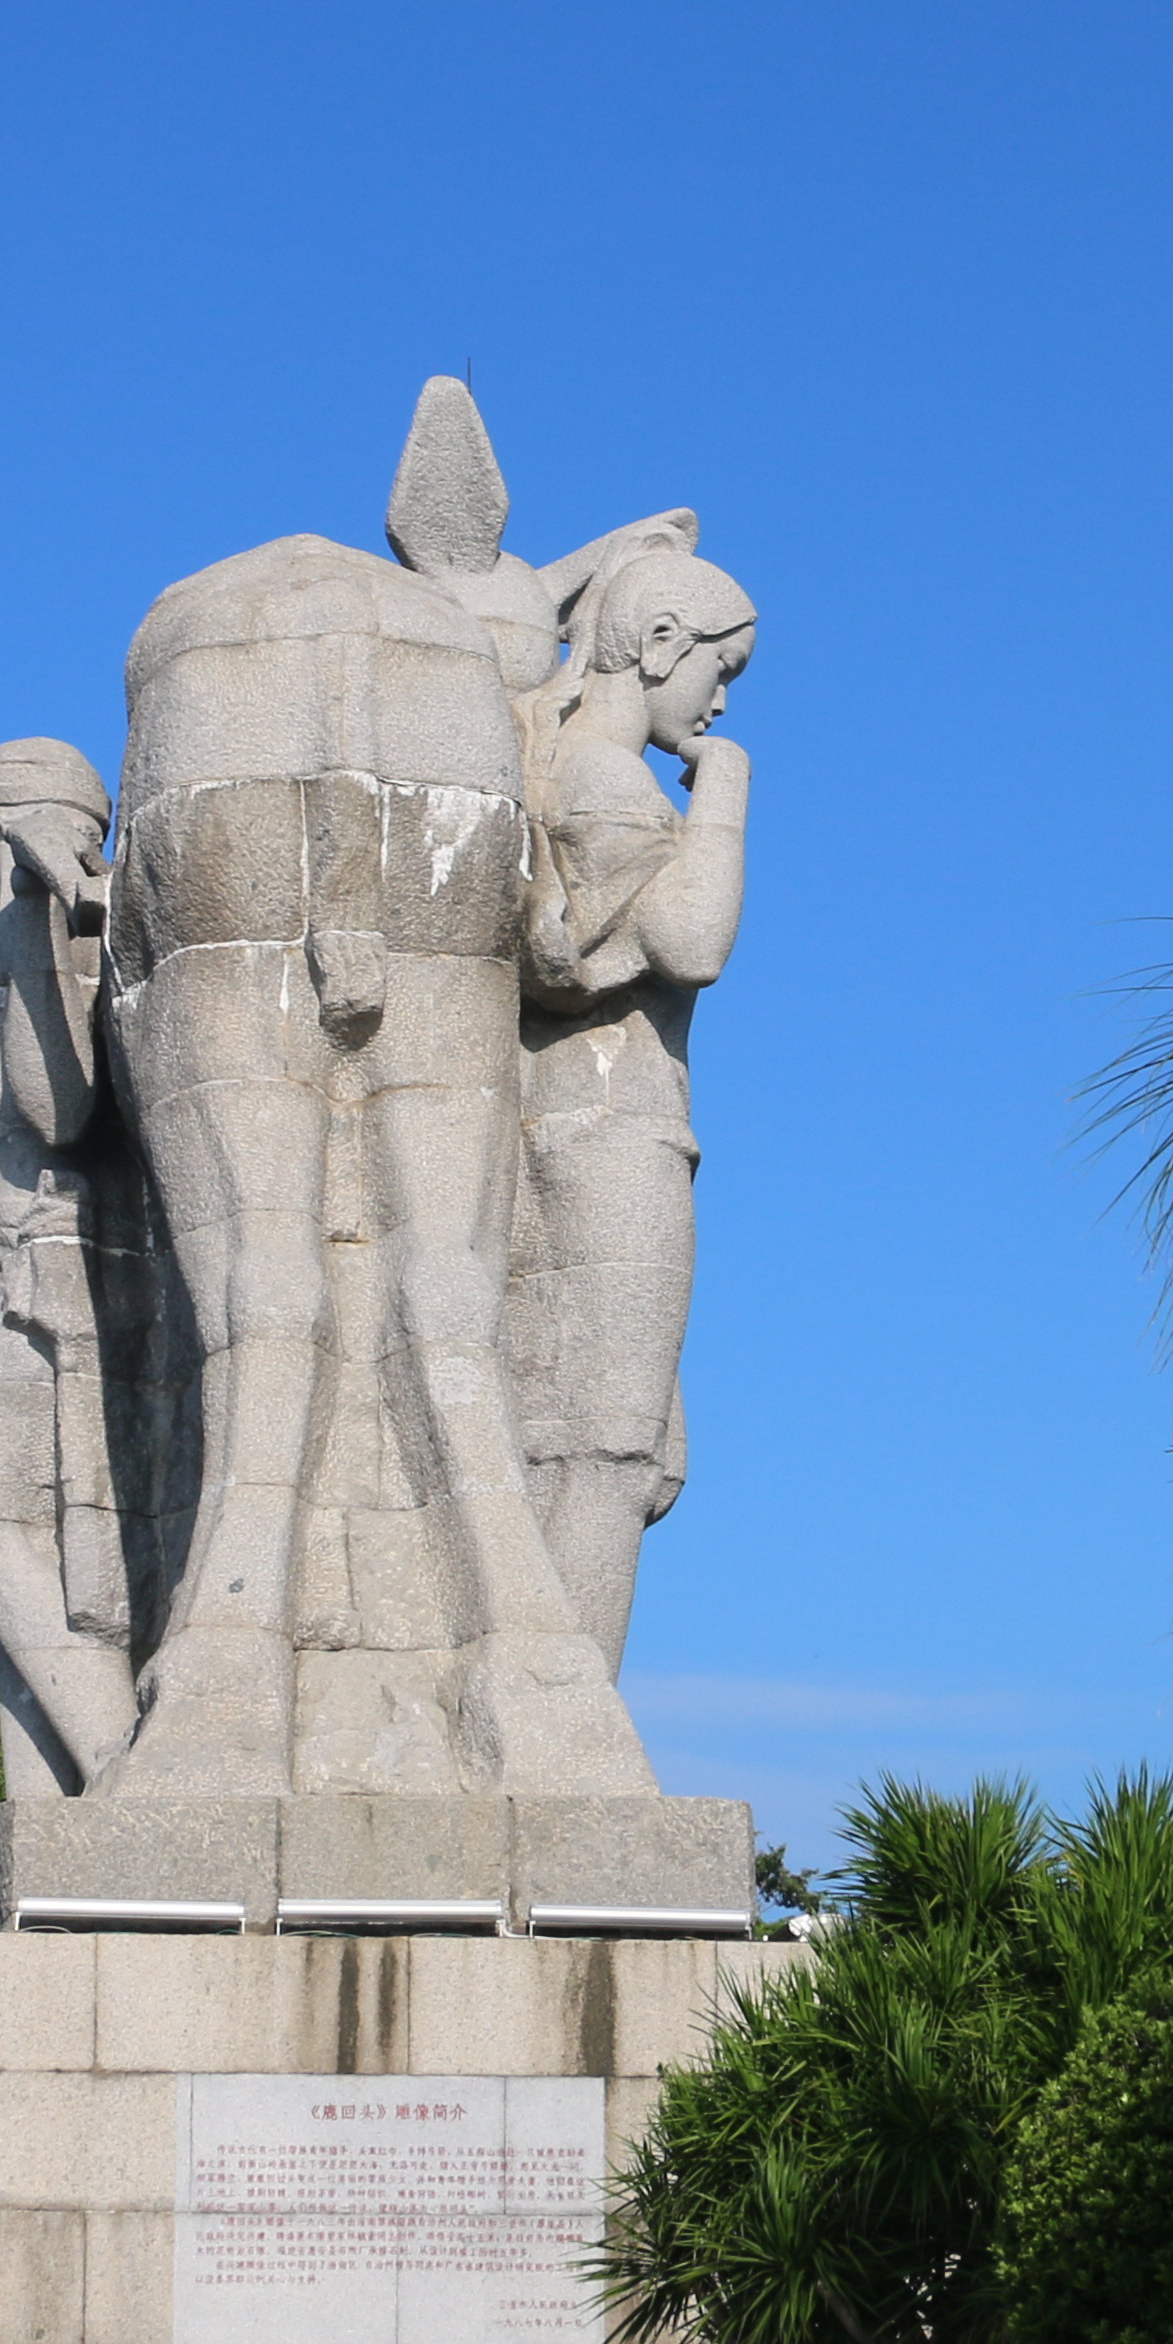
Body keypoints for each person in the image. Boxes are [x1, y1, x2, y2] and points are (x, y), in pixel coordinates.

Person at [511, 546, 756, 1663]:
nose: (716, 700)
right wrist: (730, 792)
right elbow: (691, 940)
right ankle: (574, 1732)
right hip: (615, 1137)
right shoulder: (607, 780)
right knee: (609, 1451)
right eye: (720, 668)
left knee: (612, 1446)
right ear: (659, 644)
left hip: (558, 1131)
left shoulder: (551, 766)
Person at [0, 736, 151, 1796]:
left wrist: (37, 915)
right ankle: (50, 1830)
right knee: (42, 1565)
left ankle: (123, 1774)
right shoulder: (47, 928)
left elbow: (60, 1113)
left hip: (61, 1259)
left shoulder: (66, 924)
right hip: (17, 1259)